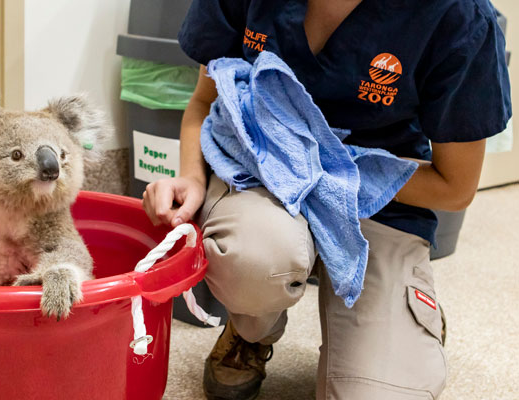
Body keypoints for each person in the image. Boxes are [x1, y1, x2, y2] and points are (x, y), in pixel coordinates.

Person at [141, 0, 511, 399]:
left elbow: (455, 188)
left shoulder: (457, 15)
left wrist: (323, 171)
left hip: (377, 200)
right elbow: (202, 102)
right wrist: (192, 177)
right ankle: (250, 330)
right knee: (253, 261)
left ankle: (406, 313)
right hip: (264, 176)